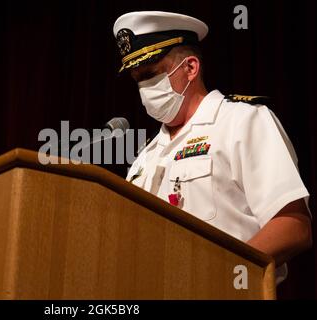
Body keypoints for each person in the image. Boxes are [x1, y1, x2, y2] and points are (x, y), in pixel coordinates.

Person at [113, 11, 312, 283]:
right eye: (138, 80)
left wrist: (215, 275)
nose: (144, 88)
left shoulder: (242, 121)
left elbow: (293, 227)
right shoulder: (145, 158)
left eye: (150, 75)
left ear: (190, 67)